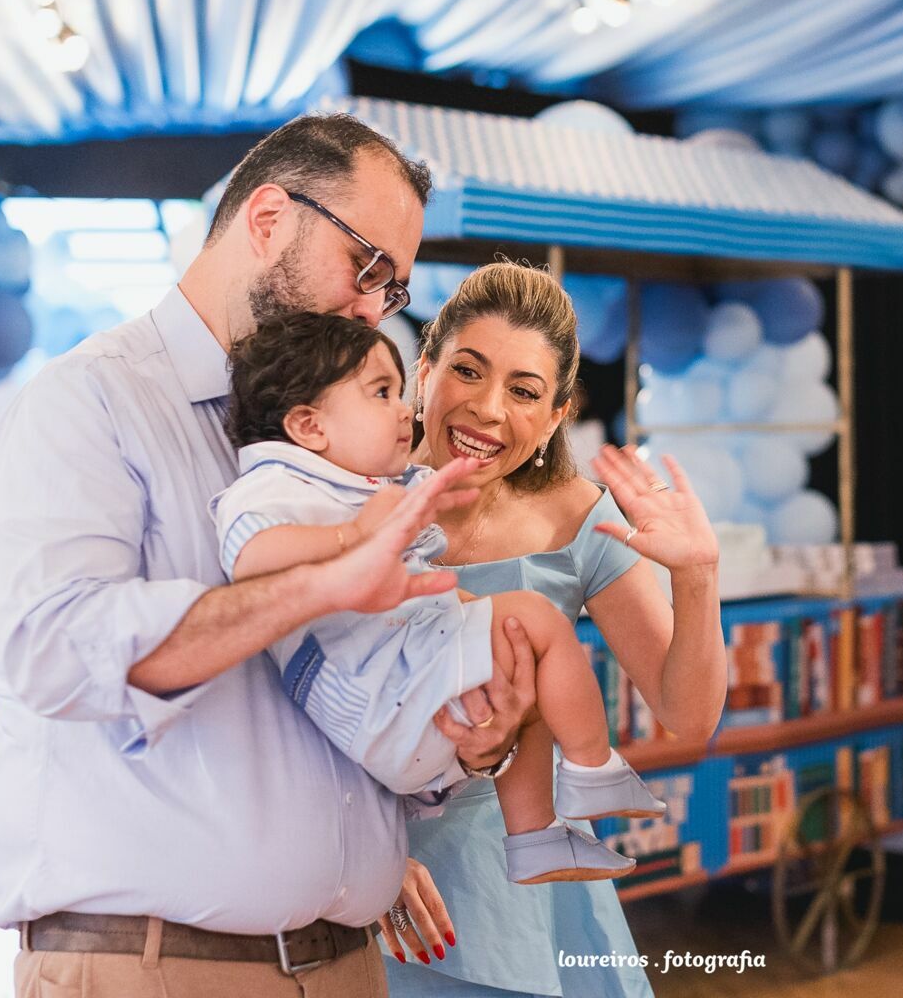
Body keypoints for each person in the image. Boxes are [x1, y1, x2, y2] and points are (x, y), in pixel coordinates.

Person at [0, 113, 534, 998]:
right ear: (268, 218)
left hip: (347, 962)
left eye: (391, 292)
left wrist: (467, 746)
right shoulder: (92, 401)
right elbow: (53, 649)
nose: (370, 308)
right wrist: (316, 581)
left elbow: (342, 710)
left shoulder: (342, 441)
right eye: (368, 269)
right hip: (157, 968)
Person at [212, 310, 665, 885]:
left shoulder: (356, 482)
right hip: (371, 701)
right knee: (531, 620)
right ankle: (593, 768)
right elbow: (249, 555)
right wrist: (355, 537)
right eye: (381, 393)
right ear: (308, 425)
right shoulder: (274, 485)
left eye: (400, 392)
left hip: (394, 704)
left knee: (518, 650)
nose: (404, 410)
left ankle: (537, 836)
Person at [379, 263, 728, 996]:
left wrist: (696, 579)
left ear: (557, 413)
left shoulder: (583, 518)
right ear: (423, 370)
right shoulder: (348, 495)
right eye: (467, 371)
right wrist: (361, 855)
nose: (487, 408)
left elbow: (687, 716)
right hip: (364, 874)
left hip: (523, 890)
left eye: (524, 391)